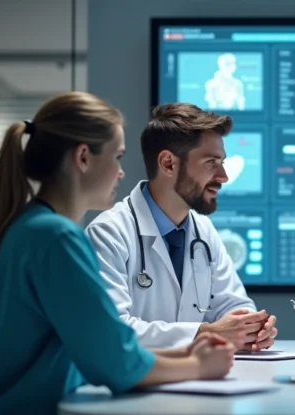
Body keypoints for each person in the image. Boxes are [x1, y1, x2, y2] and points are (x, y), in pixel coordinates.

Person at [0, 92, 236, 415]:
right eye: (118, 157)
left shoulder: (26, 227)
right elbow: (116, 365)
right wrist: (199, 367)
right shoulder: (56, 238)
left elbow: (103, 349)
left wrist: (188, 354)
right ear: (83, 157)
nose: (123, 173)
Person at [85, 103, 277, 350]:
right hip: (138, 386)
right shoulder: (109, 233)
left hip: (199, 378)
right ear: (168, 163)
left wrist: (253, 328)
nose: (223, 176)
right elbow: (111, 329)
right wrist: (202, 333)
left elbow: (232, 306)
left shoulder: (204, 231)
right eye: (211, 162)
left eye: (222, 162)